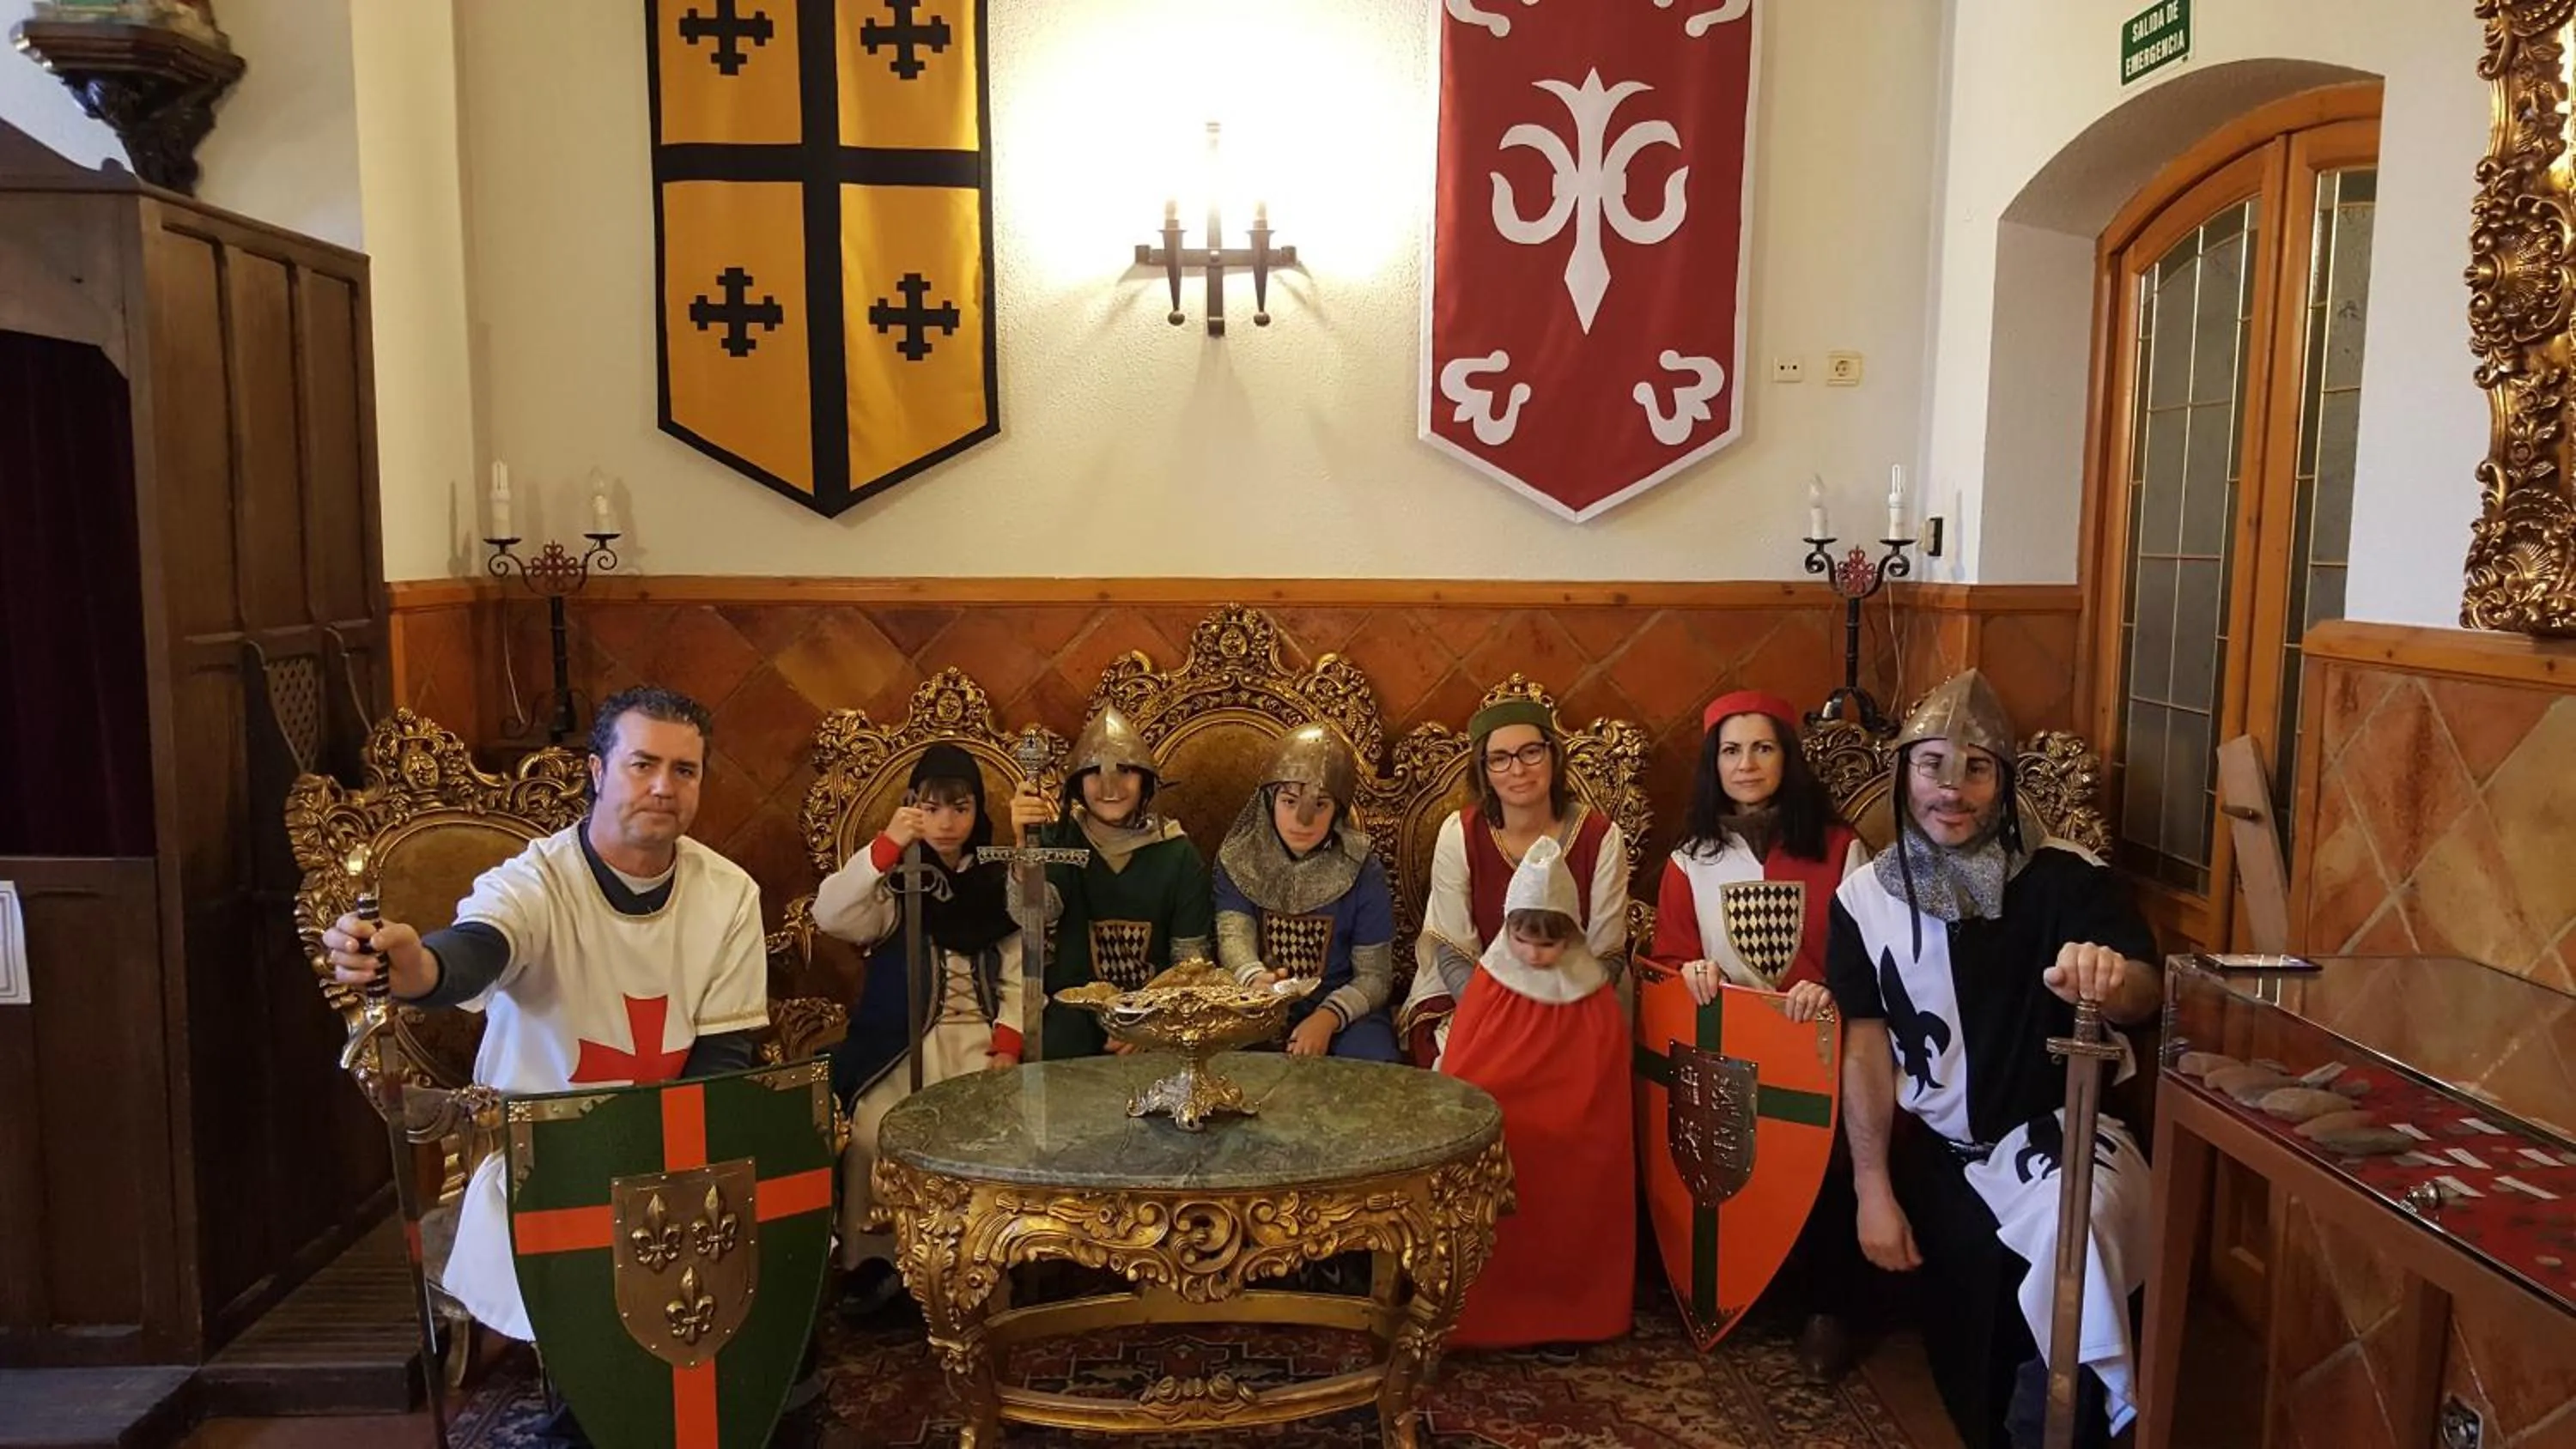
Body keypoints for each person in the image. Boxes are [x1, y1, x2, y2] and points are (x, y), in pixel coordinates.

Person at [316, 687, 775, 1446]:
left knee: (759, 1360)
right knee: (606, 1386)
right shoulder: (534, 883)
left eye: (685, 771)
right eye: (643, 764)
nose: (664, 786)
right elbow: (473, 953)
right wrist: (416, 964)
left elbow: (724, 1056)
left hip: (678, 1158)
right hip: (548, 1161)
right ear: (598, 770)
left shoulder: (727, 893)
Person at [1825, 670, 2160, 1449]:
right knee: (1972, 1355)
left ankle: (2073, 1424)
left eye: (1976, 768)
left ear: (2004, 782)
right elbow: (1867, 1045)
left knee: (2077, 1227)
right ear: (1902, 771)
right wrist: (1872, 1188)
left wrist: (2110, 980)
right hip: (1946, 1156)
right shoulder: (1862, 901)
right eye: (1932, 763)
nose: (1952, 788)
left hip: (2066, 1133)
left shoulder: (2068, 878)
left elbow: (2144, 991)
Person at [1644, 689, 1874, 1376]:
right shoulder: (1691, 860)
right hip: (1731, 1052)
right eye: (1732, 751)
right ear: (1714, 764)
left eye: (1763, 748)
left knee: (1829, 1152)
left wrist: (1830, 986)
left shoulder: (1841, 849)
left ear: (1787, 758)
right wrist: (1692, 974)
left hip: (1815, 1045)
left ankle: (1827, 1309)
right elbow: (1665, 957)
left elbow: (1869, 959)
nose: (1747, 764)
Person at [812, 744, 1025, 1319]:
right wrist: (885, 848)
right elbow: (830, 916)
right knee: (872, 1134)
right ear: (914, 810)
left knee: (991, 1136)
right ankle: (880, 1264)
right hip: (901, 1047)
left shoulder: (998, 882)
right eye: (933, 808)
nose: (947, 822)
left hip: (979, 1046)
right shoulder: (895, 883)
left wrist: (1008, 1045)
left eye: (960, 808)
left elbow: (1018, 977)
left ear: (978, 811)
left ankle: (983, 1263)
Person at [1437, 835, 1635, 1349]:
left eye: (1550, 944)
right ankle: (1487, 1314)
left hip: (1575, 1133)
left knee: (1577, 1196)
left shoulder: (1591, 990)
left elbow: (1605, 1070)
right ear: (1508, 929)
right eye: (1525, 941)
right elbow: (1466, 1061)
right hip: (1507, 1122)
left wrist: (1577, 1121)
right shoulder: (1491, 980)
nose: (1536, 955)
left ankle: (1571, 1315)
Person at [1396, 697, 1629, 1066]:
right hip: (1476, 998)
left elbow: (1606, 954)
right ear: (1483, 770)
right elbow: (1453, 949)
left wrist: (1553, 1019)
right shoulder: (1460, 834)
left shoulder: (1600, 838)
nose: (1518, 769)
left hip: (1575, 1000)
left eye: (1531, 752)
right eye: (1500, 758)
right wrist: (1504, 1019)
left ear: (1553, 756)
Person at [1004, 706, 1212, 1060]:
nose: (1110, 786)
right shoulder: (1059, 841)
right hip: (1075, 1013)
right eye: (1094, 773)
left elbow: (1189, 965)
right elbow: (1032, 918)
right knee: (1056, 1053)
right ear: (1077, 785)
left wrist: (1155, 1024)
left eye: (1126, 771)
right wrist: (1026, 849)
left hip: (1156, 1013)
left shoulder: (1178, 854)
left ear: (1145, 780)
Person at [1212, 724, 1403, 1061]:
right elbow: (1234, 938)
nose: (1302, 820)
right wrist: (1256, 982)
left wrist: (1328, 1019)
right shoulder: (1238, 858)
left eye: (1320, 805)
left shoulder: (1362, 868)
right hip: (1256, 1001)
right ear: (1269, 800)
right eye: (1289, 801)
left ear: (1338, 810)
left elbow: (1374, 977)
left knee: (1374, 1061)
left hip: (1342, 1010)